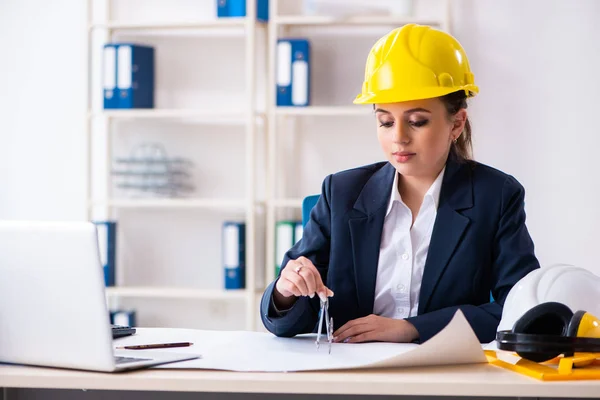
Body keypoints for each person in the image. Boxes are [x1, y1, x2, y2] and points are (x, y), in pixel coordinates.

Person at [260, 23, 540, 344]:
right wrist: (286, 291)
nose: (399, 138)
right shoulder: (341, 193)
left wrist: (412, 328)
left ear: (456, 123)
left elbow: (520, 308)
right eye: (386, 121)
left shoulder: (497, 196)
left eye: (417, 121)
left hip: (442, 373)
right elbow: (289, 318)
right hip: (349, 372)